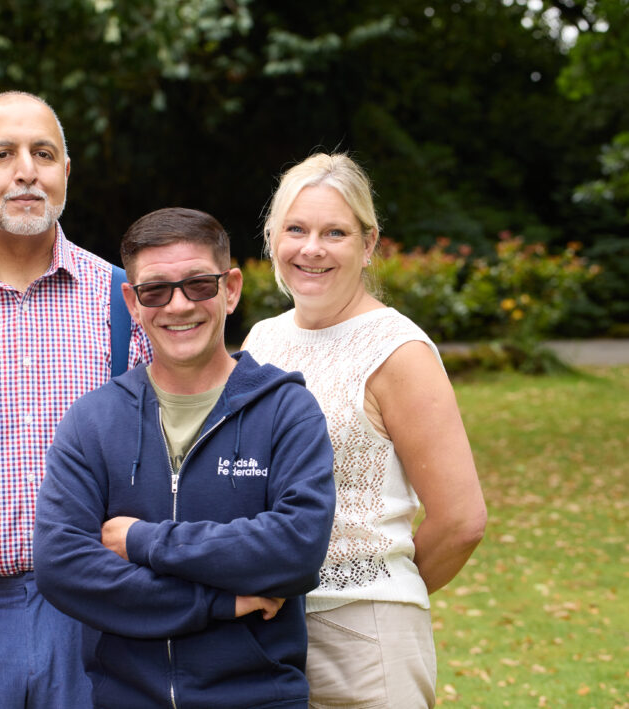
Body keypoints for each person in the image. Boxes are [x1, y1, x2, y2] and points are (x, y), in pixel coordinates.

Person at [34, 207, 337, 708]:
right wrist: (217, 602)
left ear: (231, 289)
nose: (178, 305)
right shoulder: (93, 420)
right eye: (155, 290)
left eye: (198, 284)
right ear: (132, 302)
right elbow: (61, 565)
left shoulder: (287, 410)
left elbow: (297, 548)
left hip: (260, 697)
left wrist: (142, 540)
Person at [0, 91, 151, 708]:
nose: (25, 171)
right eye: (2, 154)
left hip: (98, 608)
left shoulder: (128, 301)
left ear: (66, 172)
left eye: (43, 153)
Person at [242, 153, 488, 708]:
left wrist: (382, 589)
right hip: (265, 634)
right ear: (272, 237)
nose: (312, 248)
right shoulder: (260, 341)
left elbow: (462, 520)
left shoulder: (397, 351)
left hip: (366, 639)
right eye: (296, 229)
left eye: (336, 232)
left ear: (368, 243)